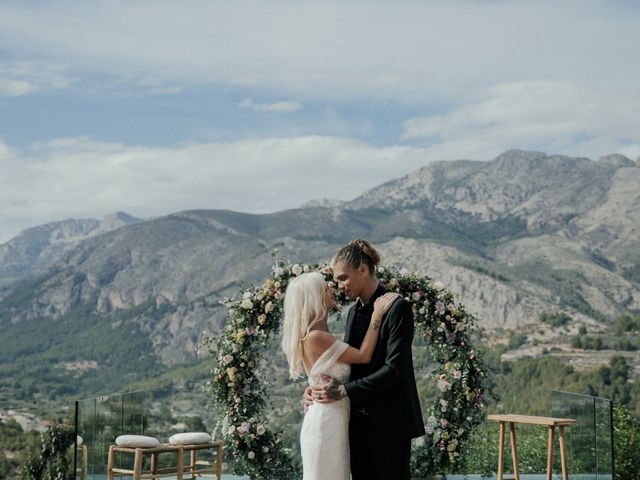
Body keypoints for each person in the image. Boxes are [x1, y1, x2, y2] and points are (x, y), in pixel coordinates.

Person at [306, 239, 425, 480]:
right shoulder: (352, 313)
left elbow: (395, 369)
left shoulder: (397, 307)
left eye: (343, 278)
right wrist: (316, 388)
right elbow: (350, 364)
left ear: (362, 270)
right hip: (356, 425)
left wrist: (345, 391)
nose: (339, 286)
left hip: (391, 423)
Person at [282, 271, 399, 480]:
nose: (332, 289)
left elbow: (322, 372)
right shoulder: (316, 335)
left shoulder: (321, 331)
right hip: (326, 422)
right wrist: (377, 316)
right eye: (326, 288)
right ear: (315, 296)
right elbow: (363, 356)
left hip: (336, 418)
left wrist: (311, 388)